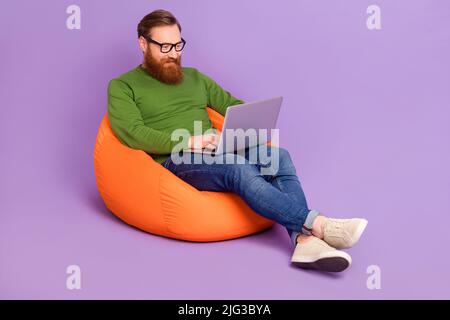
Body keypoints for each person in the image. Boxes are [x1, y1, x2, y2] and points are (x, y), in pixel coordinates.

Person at [107, 9, 368, 273]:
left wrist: (243, 126)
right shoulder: (123, 86)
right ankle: (319, 225)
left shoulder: (196, 78)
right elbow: (132, 133)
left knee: (279, 157)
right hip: (176, 159)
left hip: (215, 148)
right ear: (143, 43)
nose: (173, 53)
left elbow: (232, 105)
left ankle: (304, 242)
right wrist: (190, 142)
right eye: (164, 46)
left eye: (177, 44)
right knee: (237, 167)